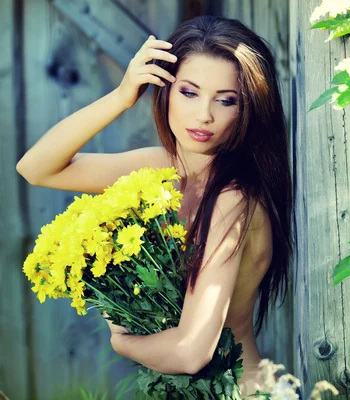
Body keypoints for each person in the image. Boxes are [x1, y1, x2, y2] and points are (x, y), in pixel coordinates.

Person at [16, 14, 293, 398]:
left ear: (248, 109)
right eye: (189, 92)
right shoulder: (160, 167)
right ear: (165, 90)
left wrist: (123, 343)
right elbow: (35, 167)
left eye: (226, 100)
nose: (204, 115)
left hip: (240, 393)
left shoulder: (233, 199)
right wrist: (121, 96)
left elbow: (192, 351)